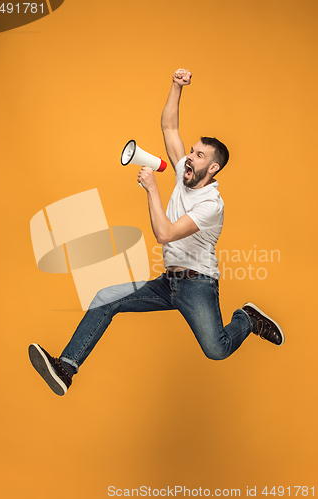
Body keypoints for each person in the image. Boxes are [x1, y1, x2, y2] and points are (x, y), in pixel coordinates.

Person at [29, 68, 284, 396]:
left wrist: (152, 189)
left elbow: (164, 234)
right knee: (106, 298)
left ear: (213, 168)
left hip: (198, 286)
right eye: (191, 152)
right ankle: (66, 367)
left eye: (199, 156)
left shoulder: (211, 204)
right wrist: (176, 86)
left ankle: (247, 319)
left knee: (216, 350)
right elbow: (169, 125)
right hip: (169, 283)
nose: (189, 158)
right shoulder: (184, 172)